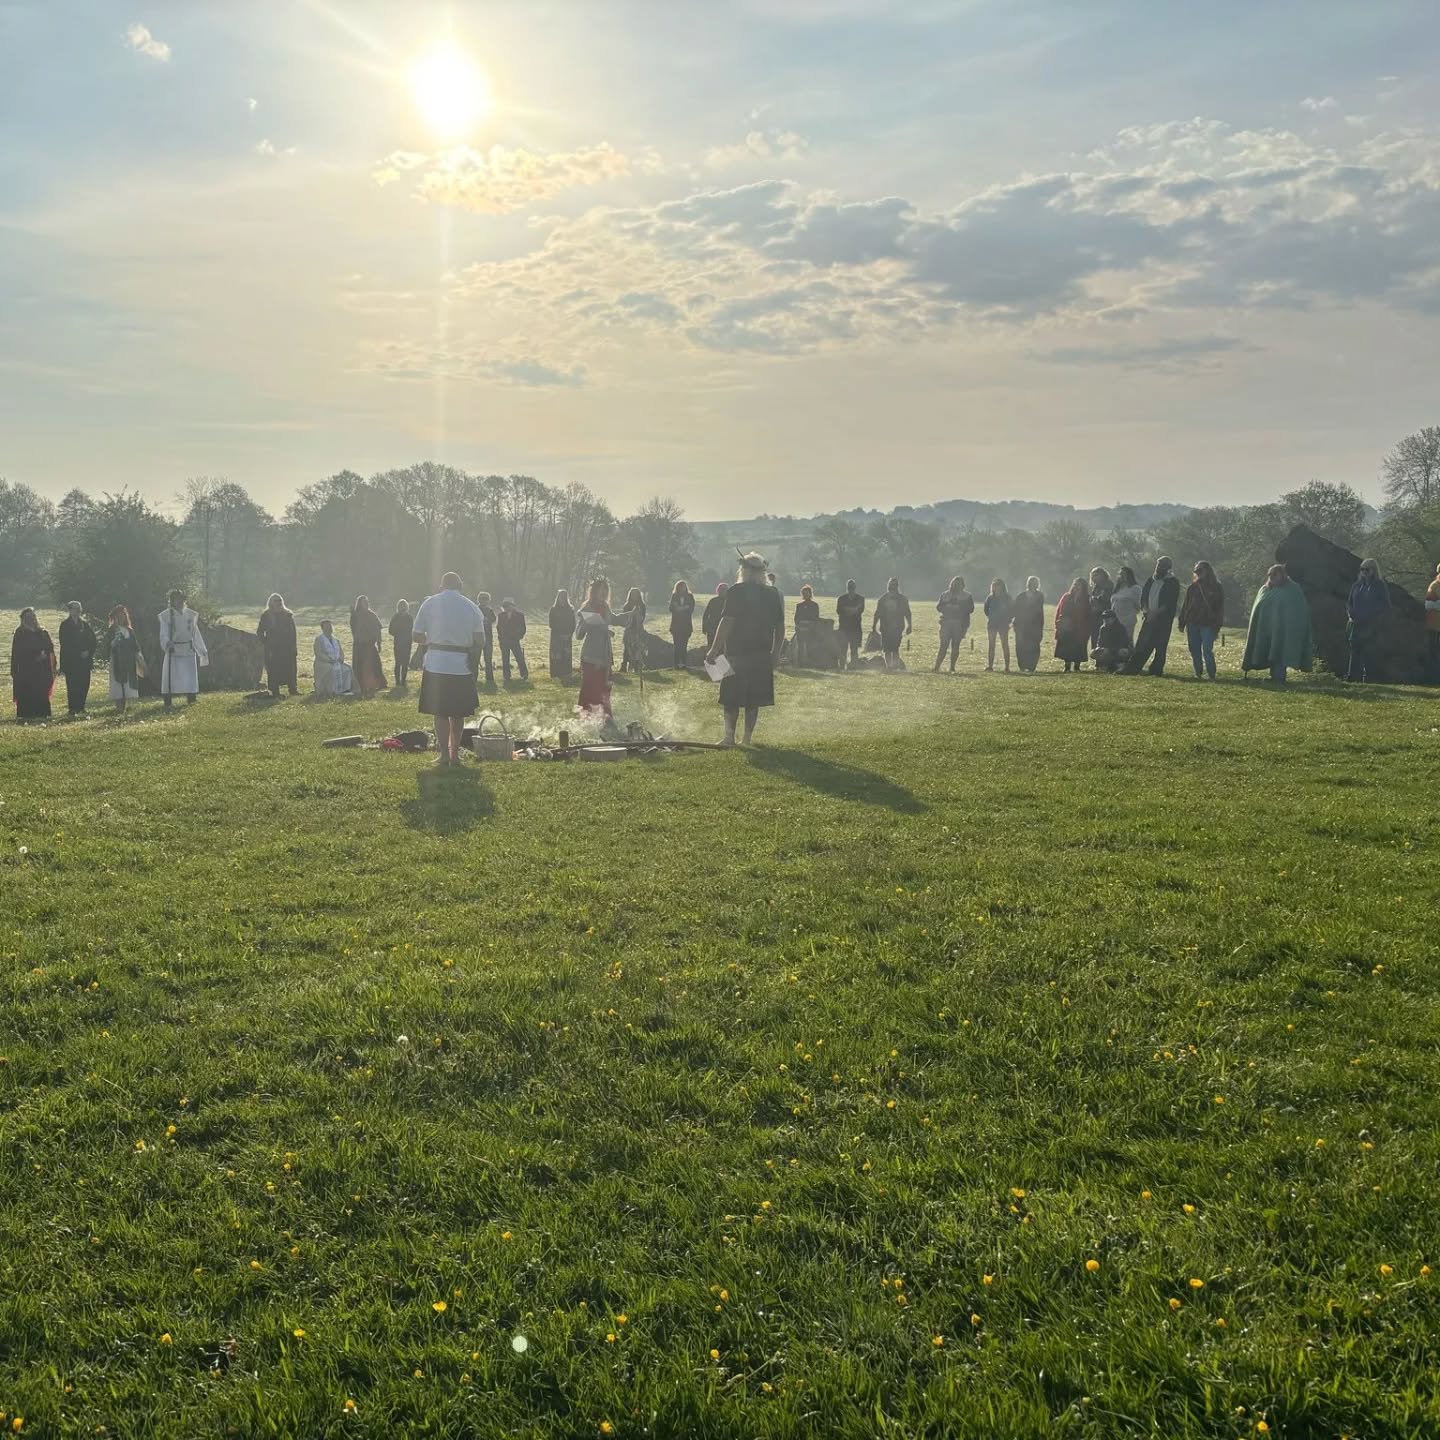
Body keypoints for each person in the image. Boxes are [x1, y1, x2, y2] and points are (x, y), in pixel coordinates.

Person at [707, 552, 785, 747]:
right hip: (762, 653)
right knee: (754, 699)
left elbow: (726, 622)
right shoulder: (773, 593)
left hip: (737, 652)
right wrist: (775, 653)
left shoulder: (736, 591)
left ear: (744, 571)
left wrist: (714, 650)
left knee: (730, 697)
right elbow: (780, 627)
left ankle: (729, 738)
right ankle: (746, 739)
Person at [413, 572, 486, 767]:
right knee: (458, 713)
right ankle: (455, 755)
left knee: (440, 712)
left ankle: (444, 755)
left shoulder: (429, 603)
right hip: (461, 665)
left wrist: (431, 641)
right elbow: (480, 640)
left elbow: (416, 634)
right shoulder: (471, 607)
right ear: (460, 585)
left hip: (436, 664)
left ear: (442, 585)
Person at [1241, 564, 1313, 684]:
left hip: (1284, 628)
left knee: (1280, 649)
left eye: (1275, 574)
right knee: (1269, 649)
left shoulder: (1292, 589)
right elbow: (1258, 609)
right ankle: (1273, 676)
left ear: (1282, 575)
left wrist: (1290, 624)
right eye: (1270, 574)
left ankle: (1279, 677)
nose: (1272, 576)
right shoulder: (1264, 589)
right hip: (1265, 629)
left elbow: (1299, 610)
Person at [574, 579, 628, 720]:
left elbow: (614, 619)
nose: (603, 592)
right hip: (591, 653)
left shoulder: (605, 606)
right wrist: (588, 624)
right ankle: (587, 716)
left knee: (604, 686)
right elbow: (579, 634)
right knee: (590, 686)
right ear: (594, 591)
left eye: (606, 589)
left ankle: (604, 716)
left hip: (604, 653)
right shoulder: (587, 608)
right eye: (601, 589)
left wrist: (631, 615)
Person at [1125, 558, 1180, 675]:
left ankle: (1156, 669)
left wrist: (1156, 613)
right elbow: (1144, 597)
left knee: (1160, 645)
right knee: (1142, 643)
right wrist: (1146, 611)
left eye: (1162, 565)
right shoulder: (1151, 580)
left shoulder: (1172, 582)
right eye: (1158, 565)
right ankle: (1133, 667)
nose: (1159, 567)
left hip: (1163, 619)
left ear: (1168, 567)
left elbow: (1169, 602)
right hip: (1149, 616)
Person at [159, 590, 208, 709]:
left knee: (190, 676)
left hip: (188, 649)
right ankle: (168, 701)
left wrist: (201, 649)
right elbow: (163, 632)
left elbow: (195, 633)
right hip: (173, 649)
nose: (179, 601)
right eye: (176, 599)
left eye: (181, 599)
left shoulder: (191, 614)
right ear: (172, 601)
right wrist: (166, 642)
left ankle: (191, 699)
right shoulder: (166, 615)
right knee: (170, 677)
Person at [1177, 561, 1225, 680]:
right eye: (1196, 571)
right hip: (1192, 621)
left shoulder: (1217, 587)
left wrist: (1217, 624)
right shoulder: (1192, 587)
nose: (1197, 573)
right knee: (1194, 648)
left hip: (1208, 623)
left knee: (1207, 649)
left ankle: (1211, 674)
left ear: (1207, 571)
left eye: (1200, 570)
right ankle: (1198, 672)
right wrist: (1182, 621)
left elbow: (1219, 607)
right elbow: (1186, 605)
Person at [1346, 558, 1390, 683]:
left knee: (1369, 652)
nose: (1364, 572)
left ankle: (1369, 679)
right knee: (1355, 650)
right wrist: (1350, 614)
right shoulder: (1357, 585)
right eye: (1362, 569)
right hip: (1356, 623)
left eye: (1367, 569)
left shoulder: (1379, 586)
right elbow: (1349, 602)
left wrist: (1372, 615)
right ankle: (1352, 677)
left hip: (1371, 624)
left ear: (1374, 570)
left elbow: (1385, 605)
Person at [11, 608, 56, 721]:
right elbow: (18, 652)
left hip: (41, 668)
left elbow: (49, 647)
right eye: (28, 617)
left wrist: (44, 654)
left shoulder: (42, 632)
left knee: (41, 690)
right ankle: (27, 714)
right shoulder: (20, 633)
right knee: (27, 692)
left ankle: (42, 712)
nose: (31, 619)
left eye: (33, 616)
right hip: (26, 669)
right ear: (23, 619)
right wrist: (34, 658)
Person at [58, 601, 97, 715]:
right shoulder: (65, 625)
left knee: (84, 684)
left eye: (79, 608)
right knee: (72, 684)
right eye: (75, 608)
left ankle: (81, 706)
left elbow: (93, 640)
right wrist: (77, 652)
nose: (78, 611)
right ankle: (73, 708)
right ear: (70, 610)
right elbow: (64, 643)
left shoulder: (84, 625)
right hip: (71, 661)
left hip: (84, 661)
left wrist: (88, 652)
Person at [257, 593, 299, 698]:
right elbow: (260, 632)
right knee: (274, 669)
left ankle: (293, 689)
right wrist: (266, 643)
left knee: (290, 669)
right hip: (273, 648)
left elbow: (293, 632)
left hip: (287, 647)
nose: (279, 602)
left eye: (280, 600)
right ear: (271, 603)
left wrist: (294, 647)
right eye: (276, 601)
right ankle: (275, 691)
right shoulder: (266, 616)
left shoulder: (288, 615)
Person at [934, 577, 975, 673]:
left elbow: (971, 609)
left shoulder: (967, 596)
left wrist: (959, 607)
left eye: (958, 584)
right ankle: (937, 666)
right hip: (946, 622)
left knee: (955, 645)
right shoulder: (945, 595)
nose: (955, 586)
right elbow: (939, 607)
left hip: (959, 623)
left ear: (962, 585)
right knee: (943, 645)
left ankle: (952, 667)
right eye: (953, 583)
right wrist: (947, 605)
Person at [107, 605, 142, 713]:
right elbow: (107, 646)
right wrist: (114, 643)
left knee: (127, 684)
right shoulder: (112, 630)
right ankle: (119, 707)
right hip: (117, 661)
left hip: (129, 661)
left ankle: (126, 706)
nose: (121, 617)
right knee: (118, 684)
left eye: (123, 615)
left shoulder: (129, 630)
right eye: (119, 615)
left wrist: (140, 659)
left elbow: (135, 646)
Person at [871, 577, 912, 671]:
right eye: (890, 585)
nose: (892, 587)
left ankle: (895, 666)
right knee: (886, 649)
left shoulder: (902, 599)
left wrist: (910, 625)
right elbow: (877, 613)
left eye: (894, 585)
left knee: (895, 648)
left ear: (897, 586)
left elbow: (907, 613)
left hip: (897, 627)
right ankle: (889, 666)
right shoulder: (883, 599)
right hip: (885, 627)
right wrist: (874, 625)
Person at [349, 596, 386, 697]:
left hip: (369, 644)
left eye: (366, 602)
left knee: (372, 665)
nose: (365, 604)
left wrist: (379, 643)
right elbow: (354, 630)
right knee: (359, 666)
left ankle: (373, 684)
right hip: (359, 645)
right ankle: (360, 685)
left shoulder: (371, 615)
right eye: (363, 603)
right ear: (359, 604)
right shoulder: (355, 615)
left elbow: (378, 630)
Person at [1054, 577, 1091, 672]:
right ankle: (1067, 666)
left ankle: (1077, 666)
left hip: (1080, 625)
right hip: (1067, 625)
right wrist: (1058, 623)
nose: (1076, 586)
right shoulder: (1067, 597)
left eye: (1079, 585)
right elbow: (1059, 609)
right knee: (1067, 645)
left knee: (1079, 645)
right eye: (1075, 584)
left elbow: (1088, 612)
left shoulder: (1086, 598)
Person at [313, 620, 356, 697]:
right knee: (330, 669)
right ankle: (331, 691)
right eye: (327, 627)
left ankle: (345, 689)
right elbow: (318, 653)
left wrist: (341, 658)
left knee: (347, 668)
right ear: (322, 628)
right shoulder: (319, 639)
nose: (329, 629)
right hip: (323, 663)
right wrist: (328, 660)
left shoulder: (336, 640)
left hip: (337, 662)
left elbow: (341, 651)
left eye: (330, 626)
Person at [1011, 577, 1045, 673]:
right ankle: (1022, 665)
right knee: (1021, 646)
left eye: (1035, 583)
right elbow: (1015, 610)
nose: (1033, 585)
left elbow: (1039, 611)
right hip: (1022, 625)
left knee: (1034, 645)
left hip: (1035, 625)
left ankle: (1032, 666)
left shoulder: (1039, 596)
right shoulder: (1021, 596)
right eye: (1031, 582)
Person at [497, 598, 530, 681]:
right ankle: (506, 676)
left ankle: (524, 674)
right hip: (504, 641)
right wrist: (500, 638)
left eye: (508, 606)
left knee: (519, 657)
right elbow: (499, 627)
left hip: (515, 640)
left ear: (512, 606)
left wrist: (519, 636)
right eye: (505, 607)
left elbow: (523, 628)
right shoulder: (501, 616)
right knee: (505, 659)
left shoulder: (520, 615)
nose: (507, 608)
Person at [983, 579, 1013, 672]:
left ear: (1002, 586)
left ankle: (1007, 666)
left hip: (1003, 624)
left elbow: (1012, 609)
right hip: (992, 624)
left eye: (998, 585)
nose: (996, 587)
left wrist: (1008, 619)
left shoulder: (1007, 598)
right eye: (994, 586)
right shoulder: (990, 598)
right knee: (991, 645)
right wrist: (991, 617)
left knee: (1005, 644)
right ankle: (990, 666)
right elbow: (986, 609)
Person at [836, 580, 866, 667]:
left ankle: (853, 665)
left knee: (854, 648)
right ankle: (842, 665)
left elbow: (860, 610)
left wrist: (847, 610)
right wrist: (853, 610)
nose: (851, 588)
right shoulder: (841, 598)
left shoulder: (860, 599)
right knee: (843, 648)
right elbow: (839, 611)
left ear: (854, 587)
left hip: (855, 628)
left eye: (852, 586)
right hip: (844, 628)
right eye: (849, 586)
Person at [1110, 566, 1142, 645]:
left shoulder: (1135, 588)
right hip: (1115, 618)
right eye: (1120, 574)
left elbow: (1137, 605)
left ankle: (1128, 656)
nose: (1121, 576)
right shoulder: (1118, 588)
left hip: (1127, 619)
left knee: (1126, 640)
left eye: (1123, 574)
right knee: (1114, 641)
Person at [549, 590, 576, 679]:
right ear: (558, 598)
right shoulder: (553, 609)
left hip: (567, 636)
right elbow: (551, 624)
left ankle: (566, 672)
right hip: (556, 636)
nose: (562, 599)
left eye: (564, 597)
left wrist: (569, 634)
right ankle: (555, 673)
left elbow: (573, 623)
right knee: (556, 655)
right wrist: (560, 634)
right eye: (561, 597)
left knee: (566, 655)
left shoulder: (570, 610)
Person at [619, 588, 647, 673]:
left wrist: (638, 616)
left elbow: (642, 618)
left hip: (638, 629)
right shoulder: (627, 605)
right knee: (627, 648)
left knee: (638, 648)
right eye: (633, 594)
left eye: (636, 594)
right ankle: (624, 666)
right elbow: (625, 618)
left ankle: (637, 666)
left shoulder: (642, 606)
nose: (634, 596)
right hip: (629, 629)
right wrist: (631, 615)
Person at [669, 581, 695, 669]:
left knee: (684, 645)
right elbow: (672, 609)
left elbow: (691, 609)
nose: (682, 589)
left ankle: (683, 664)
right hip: (676, 625)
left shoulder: (690, 597)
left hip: (686, 625)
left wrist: (679, 608)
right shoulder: (674, 596)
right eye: (681, 587)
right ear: (677, 588)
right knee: (676, 645)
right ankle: (676, 664)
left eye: (684, 587)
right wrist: (684, 608)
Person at [792, 584, 821, 667]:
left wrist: (810, 625)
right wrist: (800, 626)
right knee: (801, 646)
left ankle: (810, 662)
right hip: (801, 628)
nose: (805, 595)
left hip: (811, 629)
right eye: (804, 593)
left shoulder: (815, 605)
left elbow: (816, 618)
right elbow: (796, 618)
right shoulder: (799, 605)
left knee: (810, 646)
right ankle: (800, 662)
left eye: (807, 593)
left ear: (810, 594)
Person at [389, 600, 415, 690]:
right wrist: (398, 631)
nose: (403, 608)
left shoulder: (409, 617)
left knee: (405, 663)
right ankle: (397, 681)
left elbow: (412, 629)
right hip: (399, 642)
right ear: (398, 607)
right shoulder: (395, 617)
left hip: (407, 643)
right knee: (398, 663)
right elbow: (390, 630)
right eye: (401, 606)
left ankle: (403, 681)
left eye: (404, 606)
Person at [1087, 568, 1114, 649]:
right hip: (1095, 615)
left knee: (1103, 635)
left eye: (1096, 575)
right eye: (1093, 576)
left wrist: (1095, 599)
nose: (1094, 578)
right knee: (1094, 636)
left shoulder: (1108, 585)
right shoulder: (1096, 586)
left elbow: (1105, 598)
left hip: (1103, 614)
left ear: (1102, 575)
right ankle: (1096, 653)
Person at [475, 591, 498, 686]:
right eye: (482, 599)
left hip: (488, 637)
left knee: (488, 659)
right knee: (475, 659)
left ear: (488, 600)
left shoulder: (490, 611)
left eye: (486, 599)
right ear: (479, 600)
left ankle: (489, 678)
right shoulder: (475, 609)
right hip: (477, 637)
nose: (484, 601)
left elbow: (493, 620)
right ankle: (474, 677)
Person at [702, 584, 728, 650]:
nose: (723, 591)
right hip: (712, 628)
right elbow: (706, 614)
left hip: (723, 628)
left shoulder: (728, 601)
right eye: (722, 589)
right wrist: (704, 627)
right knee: (711, 647)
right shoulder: (713, 601)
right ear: (718, 590)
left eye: (725, 589)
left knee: (722, 650)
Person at [1426, 561, 1440, 684]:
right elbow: (1429, 604)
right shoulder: (1434, 586)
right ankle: (1434, 678)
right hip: (1435, 626)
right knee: (1435, 652)